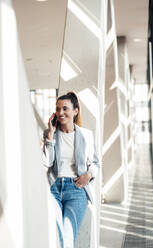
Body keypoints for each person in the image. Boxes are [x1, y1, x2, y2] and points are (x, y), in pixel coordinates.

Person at [43, 91, 99, 248]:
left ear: (75, 111)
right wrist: (50, 137)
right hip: (54, 188)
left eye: (65, 108)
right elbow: (47, 162)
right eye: (58, 109)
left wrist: (89, 175)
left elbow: (95, 163)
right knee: (55, 235)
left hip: (76, 190)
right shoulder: (50, 134)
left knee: (68, 237)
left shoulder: (86, 135)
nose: (60, 113)